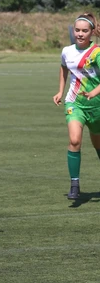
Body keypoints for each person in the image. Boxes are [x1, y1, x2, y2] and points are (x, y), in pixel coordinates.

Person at [53, 12, 100, 200]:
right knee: (74, 140)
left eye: (84, 31)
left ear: (92, 32)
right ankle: (74, 184)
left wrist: (94, 93)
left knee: (98, 145)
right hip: (74, 103)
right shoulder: (67, 51)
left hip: (96, 105)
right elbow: (64, 68)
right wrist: (60, 91)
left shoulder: (97, 52)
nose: (80, 34)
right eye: (77, 30)